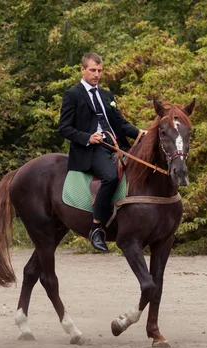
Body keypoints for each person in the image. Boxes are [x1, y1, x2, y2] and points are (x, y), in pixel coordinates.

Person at [58, 52, 145, 252]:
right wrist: (88, 137)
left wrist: (140, 133)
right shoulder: (73, 94)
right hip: (91, 149)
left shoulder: (107, 95)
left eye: (99, 71)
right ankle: (96, 227)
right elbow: (64, 128)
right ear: (83, 70)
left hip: (117, 144)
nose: (96, 74)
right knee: (110, 176)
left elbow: (121, 125)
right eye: (92, 70)